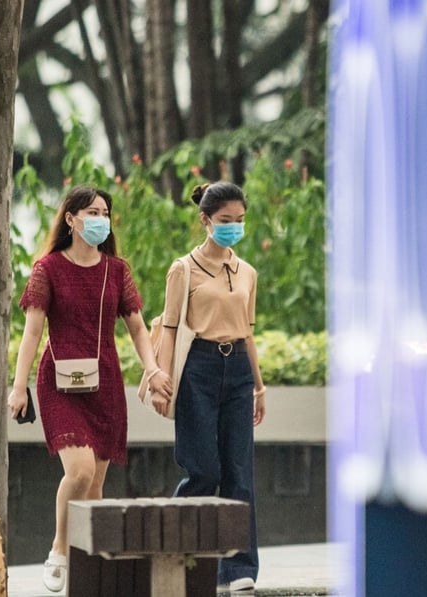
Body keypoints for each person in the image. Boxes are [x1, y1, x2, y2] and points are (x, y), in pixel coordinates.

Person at [7, 186, 168, 593]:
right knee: (78, 472)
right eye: (92, 211)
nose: (101, 218)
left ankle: (88, 575)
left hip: (105, 384)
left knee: (94, 488)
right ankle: (59, 548)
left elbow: (136, 326)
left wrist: (151, 369)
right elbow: (32, 332)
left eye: (105, 212)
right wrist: (18, 385)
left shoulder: (118, 270)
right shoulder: (48, 269)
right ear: (71, 219)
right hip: (59, 380)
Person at [151, 181, 267, 593]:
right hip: (197, 368)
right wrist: (161, 379)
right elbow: (168, 328)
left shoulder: (247, 272)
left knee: (238, 472)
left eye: (239, 221)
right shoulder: (183, 269)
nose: (233, 227)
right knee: (203, 469)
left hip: (236, 367)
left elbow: (248, 333)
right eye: (224, 221)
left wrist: (259, 385)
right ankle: (175, 557)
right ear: (205, 220)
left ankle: (238, 569)